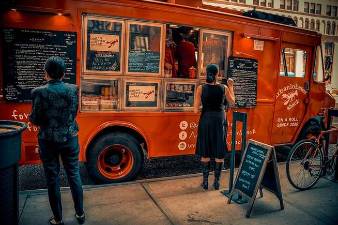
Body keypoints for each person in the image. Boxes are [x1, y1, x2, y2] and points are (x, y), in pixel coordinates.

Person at [29, 56, 85, 225]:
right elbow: (74, 112)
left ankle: (58, 219)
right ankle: (80, 214)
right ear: (64, 73)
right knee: (74, 174)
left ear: (46, 73)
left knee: (52, 178)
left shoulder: (39, 92)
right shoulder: (73, 89)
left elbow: (36, 119)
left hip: (48, 141)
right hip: (70, 137)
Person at [194, 64, 235, 190]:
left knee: (205, 151)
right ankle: (216, 182)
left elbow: (196, 110)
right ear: (218, 74)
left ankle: (205, 182)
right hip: (219, 120)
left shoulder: (201, 88)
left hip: (206, 120)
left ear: (207, 73)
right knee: (219, 150)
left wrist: (206, 107)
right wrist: (231, 87)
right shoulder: (224, 88)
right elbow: (232, 102)